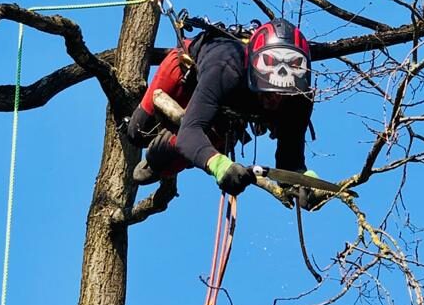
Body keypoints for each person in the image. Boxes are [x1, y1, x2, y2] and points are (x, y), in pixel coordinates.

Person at [126, 18, 315, 197]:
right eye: (269, 92)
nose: (275, 99)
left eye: (283, 94)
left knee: (179, 155)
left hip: (224, 109)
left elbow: (290, 157)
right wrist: (219, 165)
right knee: (137, 132)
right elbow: (190, 131)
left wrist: (304, 183)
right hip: (187, 74)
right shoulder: (226, 67)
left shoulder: (299, 97)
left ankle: (157, 160)